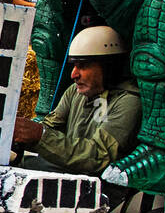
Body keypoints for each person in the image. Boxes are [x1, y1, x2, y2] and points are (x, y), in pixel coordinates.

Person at [10, 25, 141, 177]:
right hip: (70, 171)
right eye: (74, 66)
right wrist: (21, 135)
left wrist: (40, 135)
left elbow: (98, 156)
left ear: (108, 67)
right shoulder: (75, 91)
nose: (74, 74)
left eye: (83, 66)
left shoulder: (129, 101)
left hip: (99, 186)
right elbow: (51, 126)